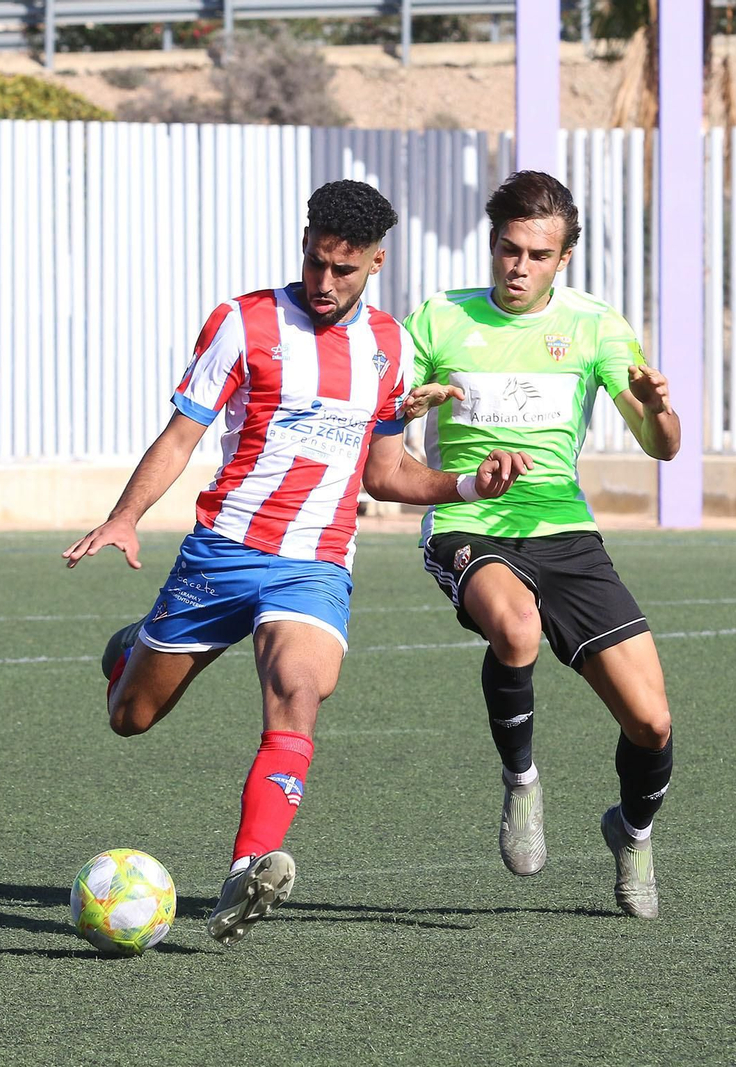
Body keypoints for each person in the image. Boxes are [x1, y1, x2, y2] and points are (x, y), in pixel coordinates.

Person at [62, 180, 531, 948]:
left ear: (378, 261)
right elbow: (181, 435)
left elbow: (386, 473)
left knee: (299, 689)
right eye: (316, 262)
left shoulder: (387, 346)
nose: (324, 282)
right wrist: (124, 515)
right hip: (223, 550)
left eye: (344, 270)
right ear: (306, 243)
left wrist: (468, 484)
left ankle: (248, 870)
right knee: (131, 717)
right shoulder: (243, 322)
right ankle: (130, 652)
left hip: (314, 561)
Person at [400, 170, 681, 919]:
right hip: (471, 522)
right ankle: (521, 782)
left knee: (652, 723)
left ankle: (632, 829)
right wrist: (405, 406)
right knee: (516, 627)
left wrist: (659, 411)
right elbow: (384, 431)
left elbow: (662, 446)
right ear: (492, 245)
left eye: (537, 254)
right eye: (508, 249)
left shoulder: (596, 326)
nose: (518, 266)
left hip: (564, 531)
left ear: (564, 260)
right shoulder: (437, 318)